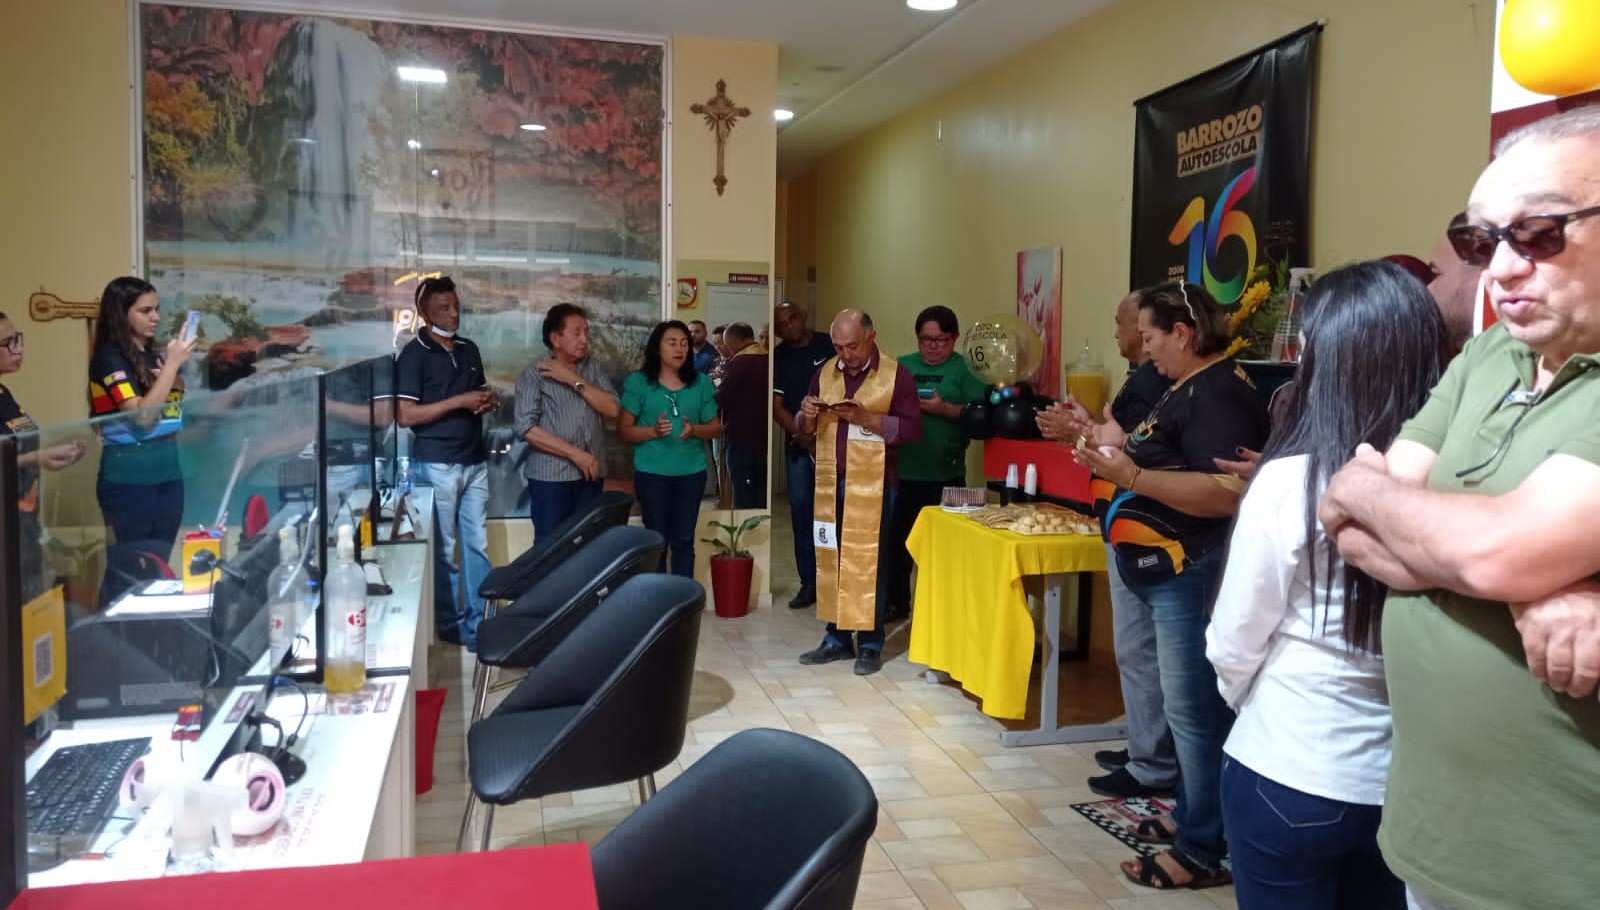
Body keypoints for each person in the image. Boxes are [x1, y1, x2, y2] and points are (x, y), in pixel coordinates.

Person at [1317, 106, 1600, 910]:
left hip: (1560, 869)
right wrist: (1533, 581)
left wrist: (1495, 554)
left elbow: (1492, 550)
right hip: (1438, 841)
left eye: (1539, 234)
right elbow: (1348, 520)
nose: (1500, 270)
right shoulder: (1489, 354)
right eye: (1481, 242)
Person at [1206, 261, 1447, 909]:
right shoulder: (1456, 486)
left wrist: (1257, 706)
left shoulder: (1293, 482)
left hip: (1290, 765)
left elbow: (1233, 640)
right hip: (1405, 780)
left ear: (1326, 361)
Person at [1069, 281, 1268, 890]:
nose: (1146, 348)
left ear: (1182, 333)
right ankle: (1193, 815)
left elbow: (1223, 493)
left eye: (1151, 336)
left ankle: (1202, 848)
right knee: (1187, 713)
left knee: (1195, 713)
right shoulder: (1185, 386)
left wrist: (1130, 475)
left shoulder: (1220, 394)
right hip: (1164, 570)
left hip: (1191, 570)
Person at [1039, 291, 1179, 803]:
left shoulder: (1156, 383)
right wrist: (1087, 428)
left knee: (1141, 650)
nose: (1120, 334)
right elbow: (1111, 438)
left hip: (1145, 529)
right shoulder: (1142, 379)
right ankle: (1147, 747)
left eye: (1125, 325)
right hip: (1124, 524)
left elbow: (1127, 450)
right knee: (1138, 650)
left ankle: (1153, 764)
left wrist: (1082, 433)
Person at [796, 310, 922, 676]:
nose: (846, 354)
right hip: (829, 479)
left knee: (869, 562)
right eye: (838, 346)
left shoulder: (896, 375)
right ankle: (835, 638)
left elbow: (913, 430)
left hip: (875, 483)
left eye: (852, 346)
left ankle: (870, 643)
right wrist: (807, 414)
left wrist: (869, 419)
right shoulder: (825, 372)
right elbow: (805, 427)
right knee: (831, 558)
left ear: (871, 337)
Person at [395, 276, 495, 650]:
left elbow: (476, 394)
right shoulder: (413, 354)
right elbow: (405, 415)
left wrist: (485, 401)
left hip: (474, 461)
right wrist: (459, 402)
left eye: (456, 306)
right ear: (423, 313)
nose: (453, 314)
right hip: (437, 464)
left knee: (477, 547)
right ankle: (451, 626)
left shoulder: (469, 349)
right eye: (443, 308)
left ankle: (480, 621)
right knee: (444, 551)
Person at [883, 305, 987, 622]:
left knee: (945, 549)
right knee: (898, 544)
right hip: (905, 472)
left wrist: (943, 409)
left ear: (953, 338)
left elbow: (978, 416)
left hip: (948, 474)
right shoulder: (901, 366)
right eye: (925, 339)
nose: (932, 346)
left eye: (940, 340)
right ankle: (896, 603)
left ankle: (942, 611)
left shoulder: (965, 370)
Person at [89, 276, 194, 555]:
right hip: (129, 478)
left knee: (159, 564)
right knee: (131, 566)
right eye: (145, 311)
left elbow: (169, 410)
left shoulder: (151, 356)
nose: (156, 317)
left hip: (167, 472)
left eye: (156, 309)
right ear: (121, 314)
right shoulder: (109, 357)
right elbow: (142, 417)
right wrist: (172, 366)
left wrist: (172, 376)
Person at [618, 321, 721, 577]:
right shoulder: (639, 382)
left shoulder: (700, 383)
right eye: (672, 343)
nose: (680, 349)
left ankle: (683, 597)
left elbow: (716, 428)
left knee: (684, 540)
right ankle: (657, 598)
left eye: (684, 343)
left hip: (691, 473)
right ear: (657, 348)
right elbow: (624, 430)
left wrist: (694, 429)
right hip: (652, 474)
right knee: (657, 541)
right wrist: (652, 431)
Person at [514, 303, 621, 541]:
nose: (584, 340)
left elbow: (612, 409)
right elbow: (526, 428)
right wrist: (576, 454)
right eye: (576, 333)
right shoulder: (534, 374)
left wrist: (572, 379)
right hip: (551, 478)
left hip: (590, 475)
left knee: (589, 543)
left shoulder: (592, 368)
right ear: (556, 338)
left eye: (586, 333)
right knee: (551, 546)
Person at [1, 312, 86, 595]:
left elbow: (19, 449)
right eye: (8, 343)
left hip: (23, 525)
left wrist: (52, 456)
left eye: (17, 339)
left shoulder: (4, 394)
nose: (19, 349)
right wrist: (37, 457)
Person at [772, 300, 836, 609]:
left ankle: (835, 581)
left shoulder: (829, 345)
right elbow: (777, 407)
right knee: (802, 513)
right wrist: (803, 436)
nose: (789, 326)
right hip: (799, 449)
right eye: (782, 324)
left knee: (835, 513)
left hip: (836, 445)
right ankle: (809, 582)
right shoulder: (779, 357)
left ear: (804, 316)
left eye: (792, 318)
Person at [714, 323, 768, 508]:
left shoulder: (739, 362)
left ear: (733, 341)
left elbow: (723, 396)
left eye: (727, 344)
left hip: (740, 434)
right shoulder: (767, 358)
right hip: (762, 435)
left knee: (742, 490)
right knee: (760, 488)